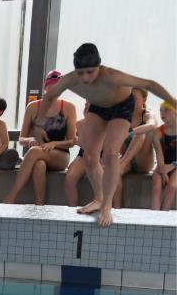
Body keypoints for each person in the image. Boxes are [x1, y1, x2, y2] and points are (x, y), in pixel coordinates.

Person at [41, 42, 176, 226]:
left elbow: (149, 84)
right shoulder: (70, 79)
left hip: (122, 107)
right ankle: (99, 198)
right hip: (99, 107)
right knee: (89, 156)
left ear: (99, 67)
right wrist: (38, 124)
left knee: (111, 153)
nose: (85, 78)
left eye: (90, 72)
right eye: (81, 73)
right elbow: (50, 95)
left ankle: (107, 206)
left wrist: (172, 101)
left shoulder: (112, 76)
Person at [1, 70, 77, 206]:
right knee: (39, 165)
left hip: (60, 156)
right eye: (51, 86)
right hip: (38, 154)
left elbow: (72, 142)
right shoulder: (32, 107)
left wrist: (54, 144)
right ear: (45, 87)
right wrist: (30, 140)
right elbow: (21, 139)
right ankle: (39, 207)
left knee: (35, 151)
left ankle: (11, 197)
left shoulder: (69, 108)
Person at [150, 101, 177, 211]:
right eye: (161, 110)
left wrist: (173, 165)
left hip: (176, 165)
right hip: (163, 165)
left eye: (167, 110)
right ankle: (154, 217)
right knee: (156, 188)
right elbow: (159, 154)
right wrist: (163, 171)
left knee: (172, 187)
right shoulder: (158, 132)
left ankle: (163, 217)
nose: (162, 113)